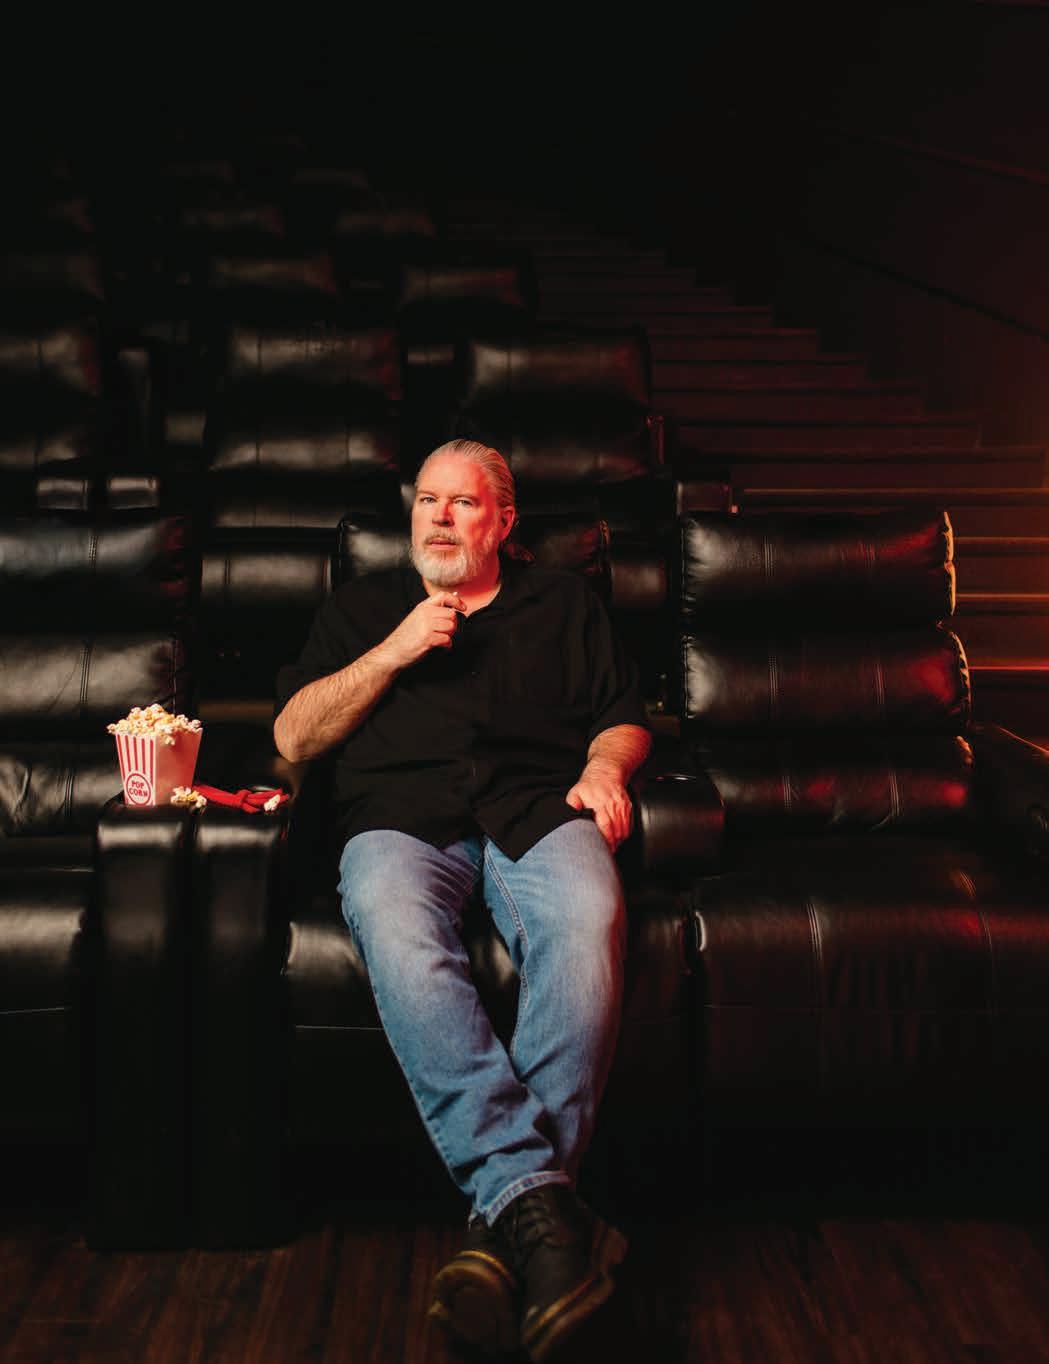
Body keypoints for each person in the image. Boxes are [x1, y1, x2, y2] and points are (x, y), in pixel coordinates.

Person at [273, 439, 652, 1361]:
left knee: (587, 919)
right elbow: (292, 737)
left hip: (537, 807)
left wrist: (605, 770)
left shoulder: (563, 604)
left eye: (463, 503)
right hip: (398, 821)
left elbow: (621, 716)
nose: (439, 518)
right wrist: (394, 651)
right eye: (426, 502)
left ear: (504, 521)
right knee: (395, 927)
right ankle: (546, 1210)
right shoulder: (362, 608)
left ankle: (506, 1223)